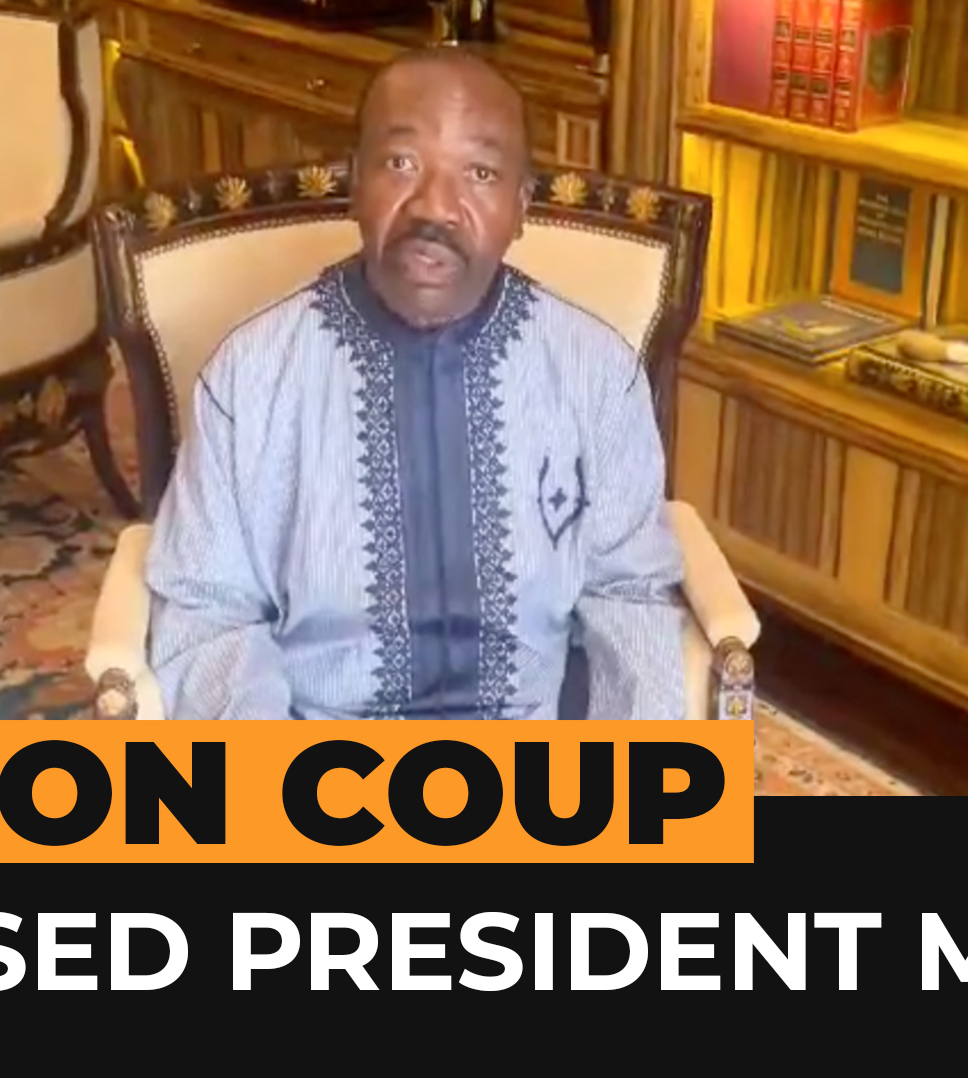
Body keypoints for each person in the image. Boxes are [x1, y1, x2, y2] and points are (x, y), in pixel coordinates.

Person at [143, 46, 687, 722]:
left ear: (521, 207)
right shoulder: (251, 375)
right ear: (354, 183)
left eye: (480, 173)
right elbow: (208, 612)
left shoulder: (596, 374)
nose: (435, 207)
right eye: (402, 163)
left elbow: (631, 596)